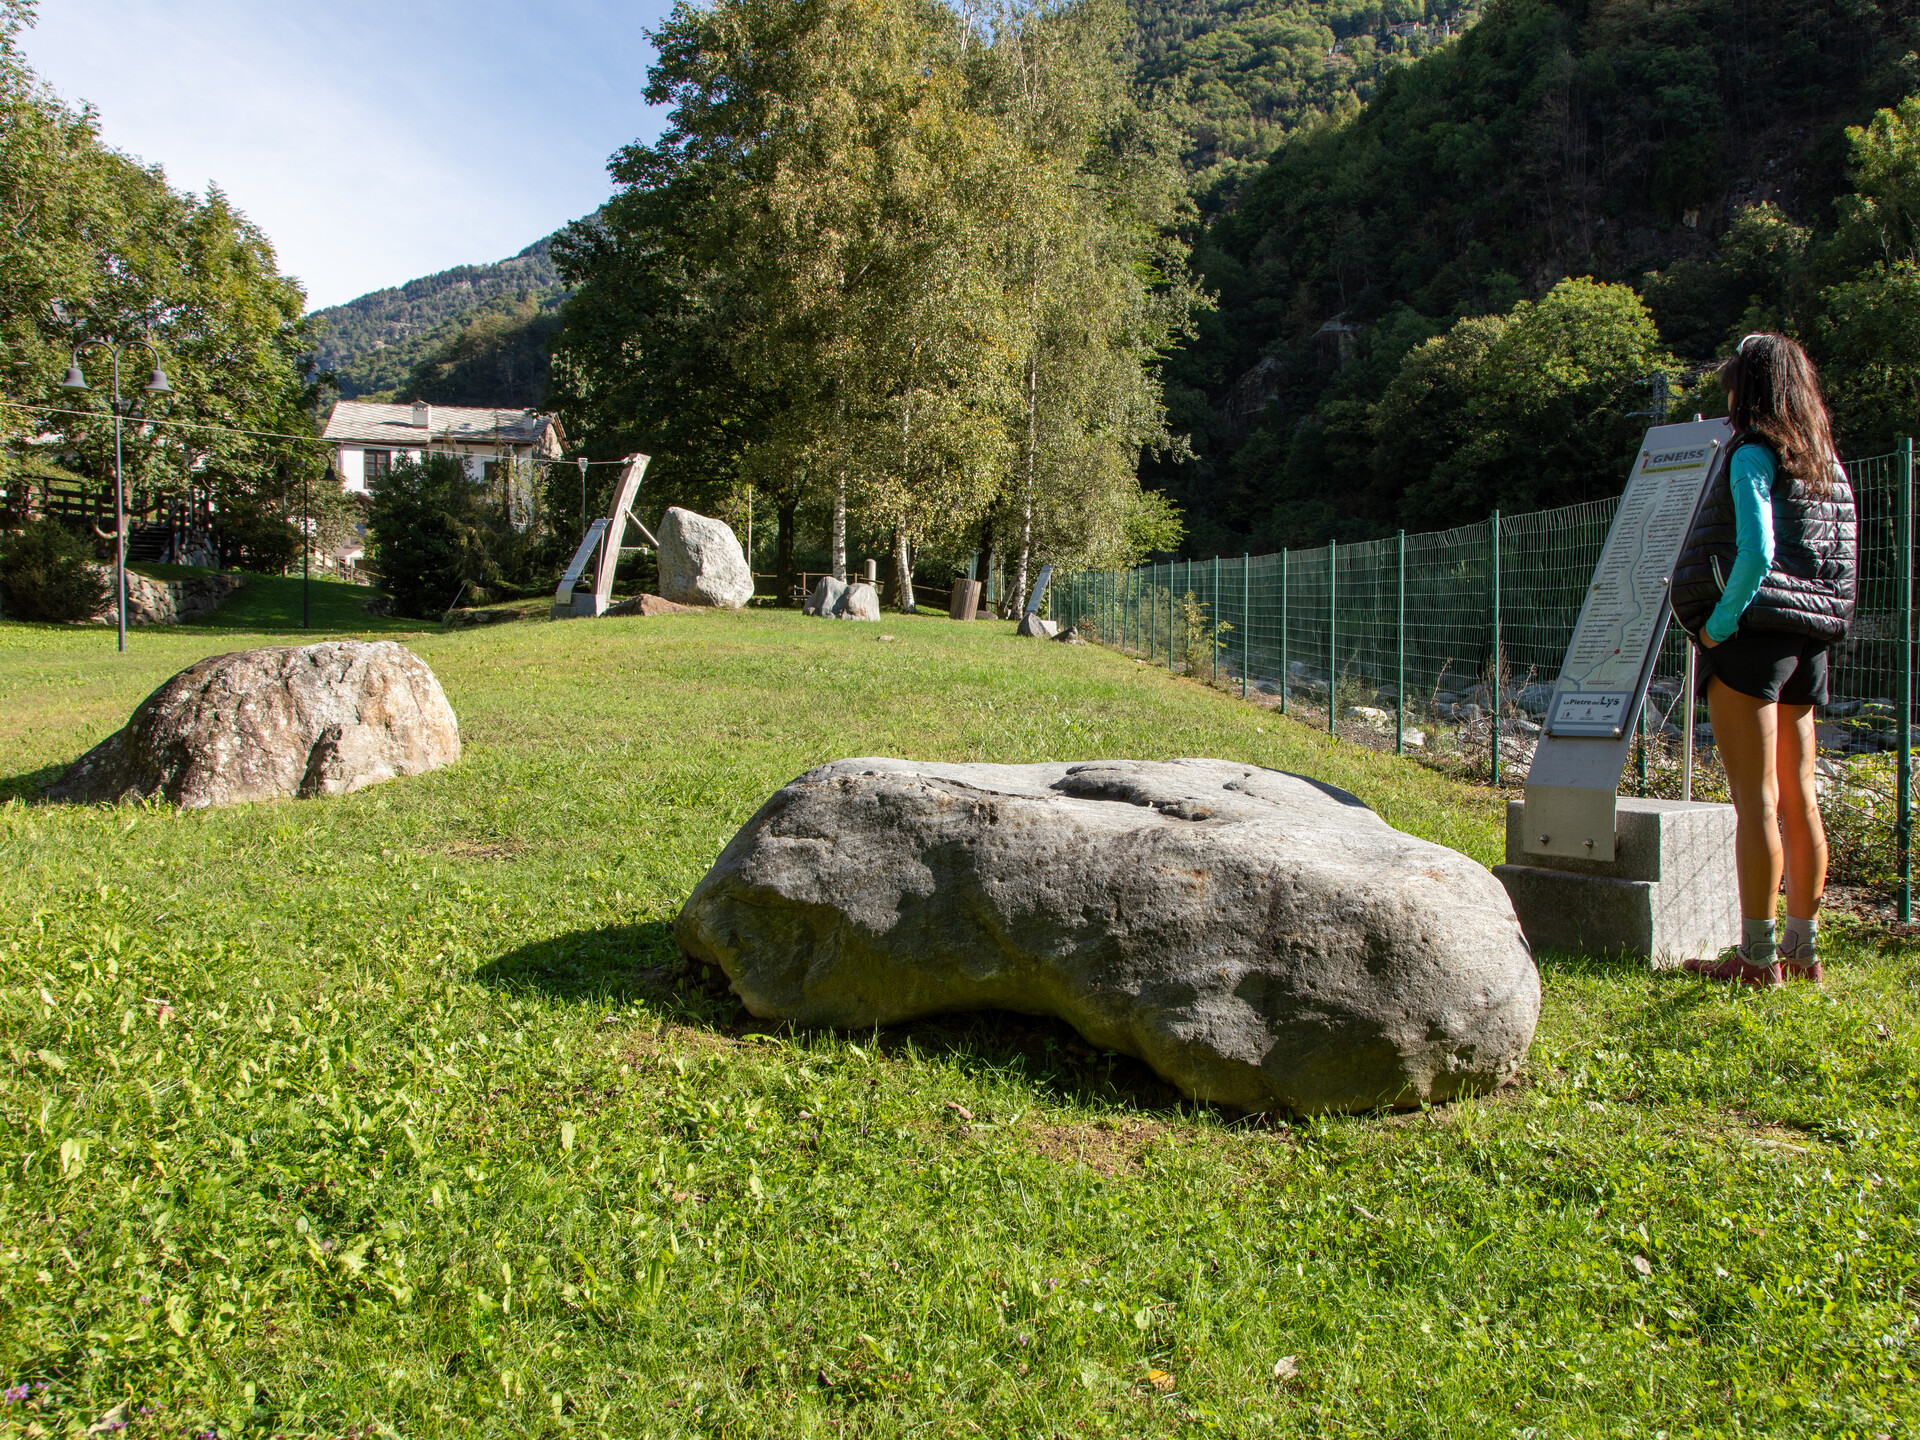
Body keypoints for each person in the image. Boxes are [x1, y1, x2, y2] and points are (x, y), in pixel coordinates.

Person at [1669, 333, 1858, 986]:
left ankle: (1756, 959)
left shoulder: (1753, 452)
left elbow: (1754, 552)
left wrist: (1718, 628)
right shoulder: (1824, 463)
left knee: (1755, 800)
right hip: (1809, 644)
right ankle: (1803, 952)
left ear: (1748, 389)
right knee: (1801, 795)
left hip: (1752, 640)